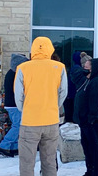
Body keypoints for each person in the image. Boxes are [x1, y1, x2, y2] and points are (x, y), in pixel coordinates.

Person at [14, 37, 68, 176]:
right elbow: (63, 92)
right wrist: (53, 107)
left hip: (30, 121)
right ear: (50, 49)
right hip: (51, 121)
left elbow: (18, 95)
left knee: (27, 162)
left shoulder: (22, 68)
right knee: (49, 160)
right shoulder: (59, 67)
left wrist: (26, 110)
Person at [74, 58, 98, 176]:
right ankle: (90, 170)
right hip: (85, 120)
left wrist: (91, 118)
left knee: (95, 147)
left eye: (88, 66)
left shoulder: (97, 81)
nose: (85, 68)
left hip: (95, 120)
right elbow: (74, 76)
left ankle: (97, 172)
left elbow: (96, 101)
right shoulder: (88, 80)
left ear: (94, 68)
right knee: (87, 146)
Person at [0, 54, 29, 158]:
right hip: (15, 104)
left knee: (17, 125)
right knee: (18, 125)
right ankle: (4, 146)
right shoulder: (16, 74)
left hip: (11, 104)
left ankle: (13, 147)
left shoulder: (11, 73)